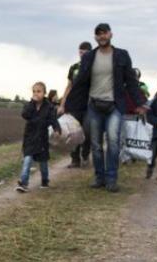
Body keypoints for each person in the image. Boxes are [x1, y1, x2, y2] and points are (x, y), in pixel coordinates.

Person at [63, 23, 148, 192]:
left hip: (114, 106)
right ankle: (99, 177)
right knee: (95, 144)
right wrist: (67, 104)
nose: (102, 36)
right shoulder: (89, 57)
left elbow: (131, 81)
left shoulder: (122, 55)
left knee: (113, 143)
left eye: (104, 33)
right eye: (98, 34)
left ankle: (111, 179)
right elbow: (79, 83)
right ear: (95, 37)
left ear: (111, 34)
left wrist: (140, 103)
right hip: (94, 105)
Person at [15, 82, 62, 192]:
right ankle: (23, 183)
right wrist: (32, 103)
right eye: (34, 91)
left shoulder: (49, 107)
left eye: (39, 91)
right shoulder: (29, 105)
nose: (36, 94)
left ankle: (45, 181)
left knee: (43, 163)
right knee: (27, 160)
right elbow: (24, 115)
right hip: (30, 138)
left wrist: (57, 129)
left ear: (44, 93)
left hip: (42, 139)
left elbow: (53, 120)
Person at [58, 41, 92, 168]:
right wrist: (62, 104)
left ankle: (85, 154)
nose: (82, 55)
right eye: (81, 52)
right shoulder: (74, 68)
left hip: (89, 105)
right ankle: (75, 159)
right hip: (74, 105)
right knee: (74, 132)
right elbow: (69, 86)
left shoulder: (94, 67)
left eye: (85, 53)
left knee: (87, 132)